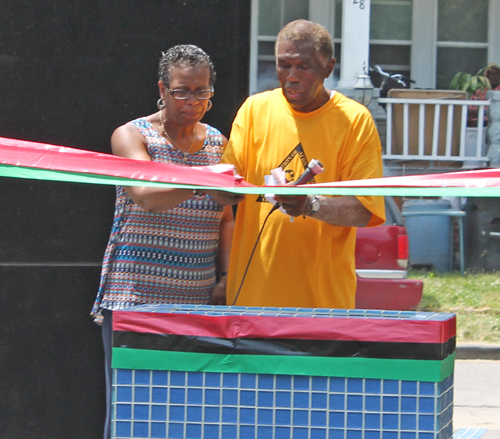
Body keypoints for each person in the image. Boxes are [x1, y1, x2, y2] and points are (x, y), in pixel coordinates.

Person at [90, 44, 233, 438]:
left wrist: (226, 276)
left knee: (186, 412)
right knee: (130, 411)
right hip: (135, 297)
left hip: (195, 300)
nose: (193, 101)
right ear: (162, 89)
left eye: (202, 91)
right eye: (182, 91)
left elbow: (226, 217)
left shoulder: (219, 144)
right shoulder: (132, 135)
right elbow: (146, 195)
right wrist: (208, 182)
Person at [220, 19, 386, 309]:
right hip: (253, 300)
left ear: (328, 68)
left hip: (323, 305)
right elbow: (228, 187)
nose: (291, 76)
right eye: (284, 65)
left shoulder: (354, 121)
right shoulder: (254, 109)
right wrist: (206, 185)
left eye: (304, 66)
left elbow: (365, 209)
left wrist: (311, 204)